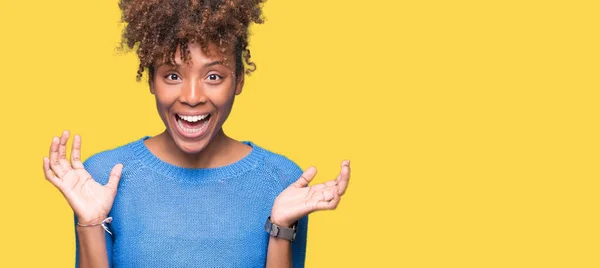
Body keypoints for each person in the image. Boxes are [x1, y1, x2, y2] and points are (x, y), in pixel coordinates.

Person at [42, 0, 351, 267]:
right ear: (151, 80)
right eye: (172, 75)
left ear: (239, 81)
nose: (192, 96)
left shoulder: (282, 180)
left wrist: (281, 227)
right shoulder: (102, 177)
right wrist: (91, 223)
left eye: (214, 76)